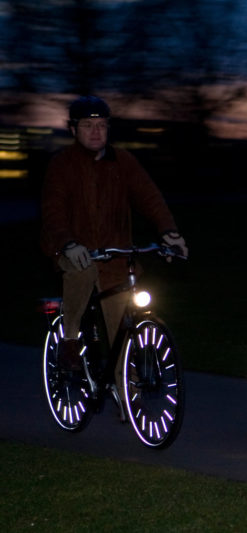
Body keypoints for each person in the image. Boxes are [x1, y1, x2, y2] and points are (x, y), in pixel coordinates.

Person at [40, 95, 188, 397]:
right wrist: (68, 243)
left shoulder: (123, 161)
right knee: (82, 270)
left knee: (122, 323)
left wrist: (170, 233)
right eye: (87, 126)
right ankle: (70, 342)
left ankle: (126, 392)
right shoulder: (62, 165)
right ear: (73, 130)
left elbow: (150, 198)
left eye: (101, 126)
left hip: (114, 254)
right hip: (72, 249)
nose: (96, 132)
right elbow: (53, 211)